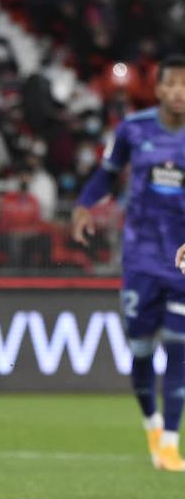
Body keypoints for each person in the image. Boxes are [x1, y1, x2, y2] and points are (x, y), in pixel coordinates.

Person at [74, 56, 185, 472]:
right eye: (171, 84)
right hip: (140, 258)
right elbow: (107, 173)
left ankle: (171, 444)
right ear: (158, 89)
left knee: (180, 346)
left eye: (184, 84)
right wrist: (85, 205)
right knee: (141, 351)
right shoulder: (134, 129)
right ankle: (154, 426)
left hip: (181, 261)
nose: (178, 91)